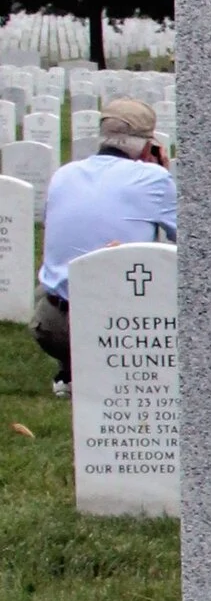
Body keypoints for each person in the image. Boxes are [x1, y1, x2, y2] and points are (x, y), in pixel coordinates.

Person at [30, 97, 176, 395]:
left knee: (57, 277)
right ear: (148, 146)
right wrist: (163, 171)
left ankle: (70, 370)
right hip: (119, 329)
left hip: (50, 325)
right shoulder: (153, 178)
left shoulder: (64, 174)